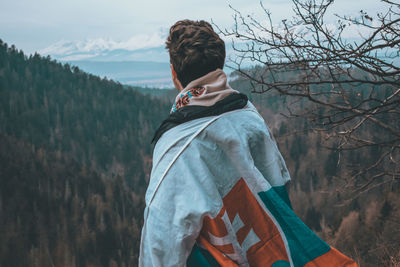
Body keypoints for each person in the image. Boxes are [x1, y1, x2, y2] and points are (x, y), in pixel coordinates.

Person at [139, 19, 357, 267]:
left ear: (173, 73)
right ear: (219, 64)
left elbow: (159, 245)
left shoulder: (175, 146)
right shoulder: (250, 117)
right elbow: (278, 189)